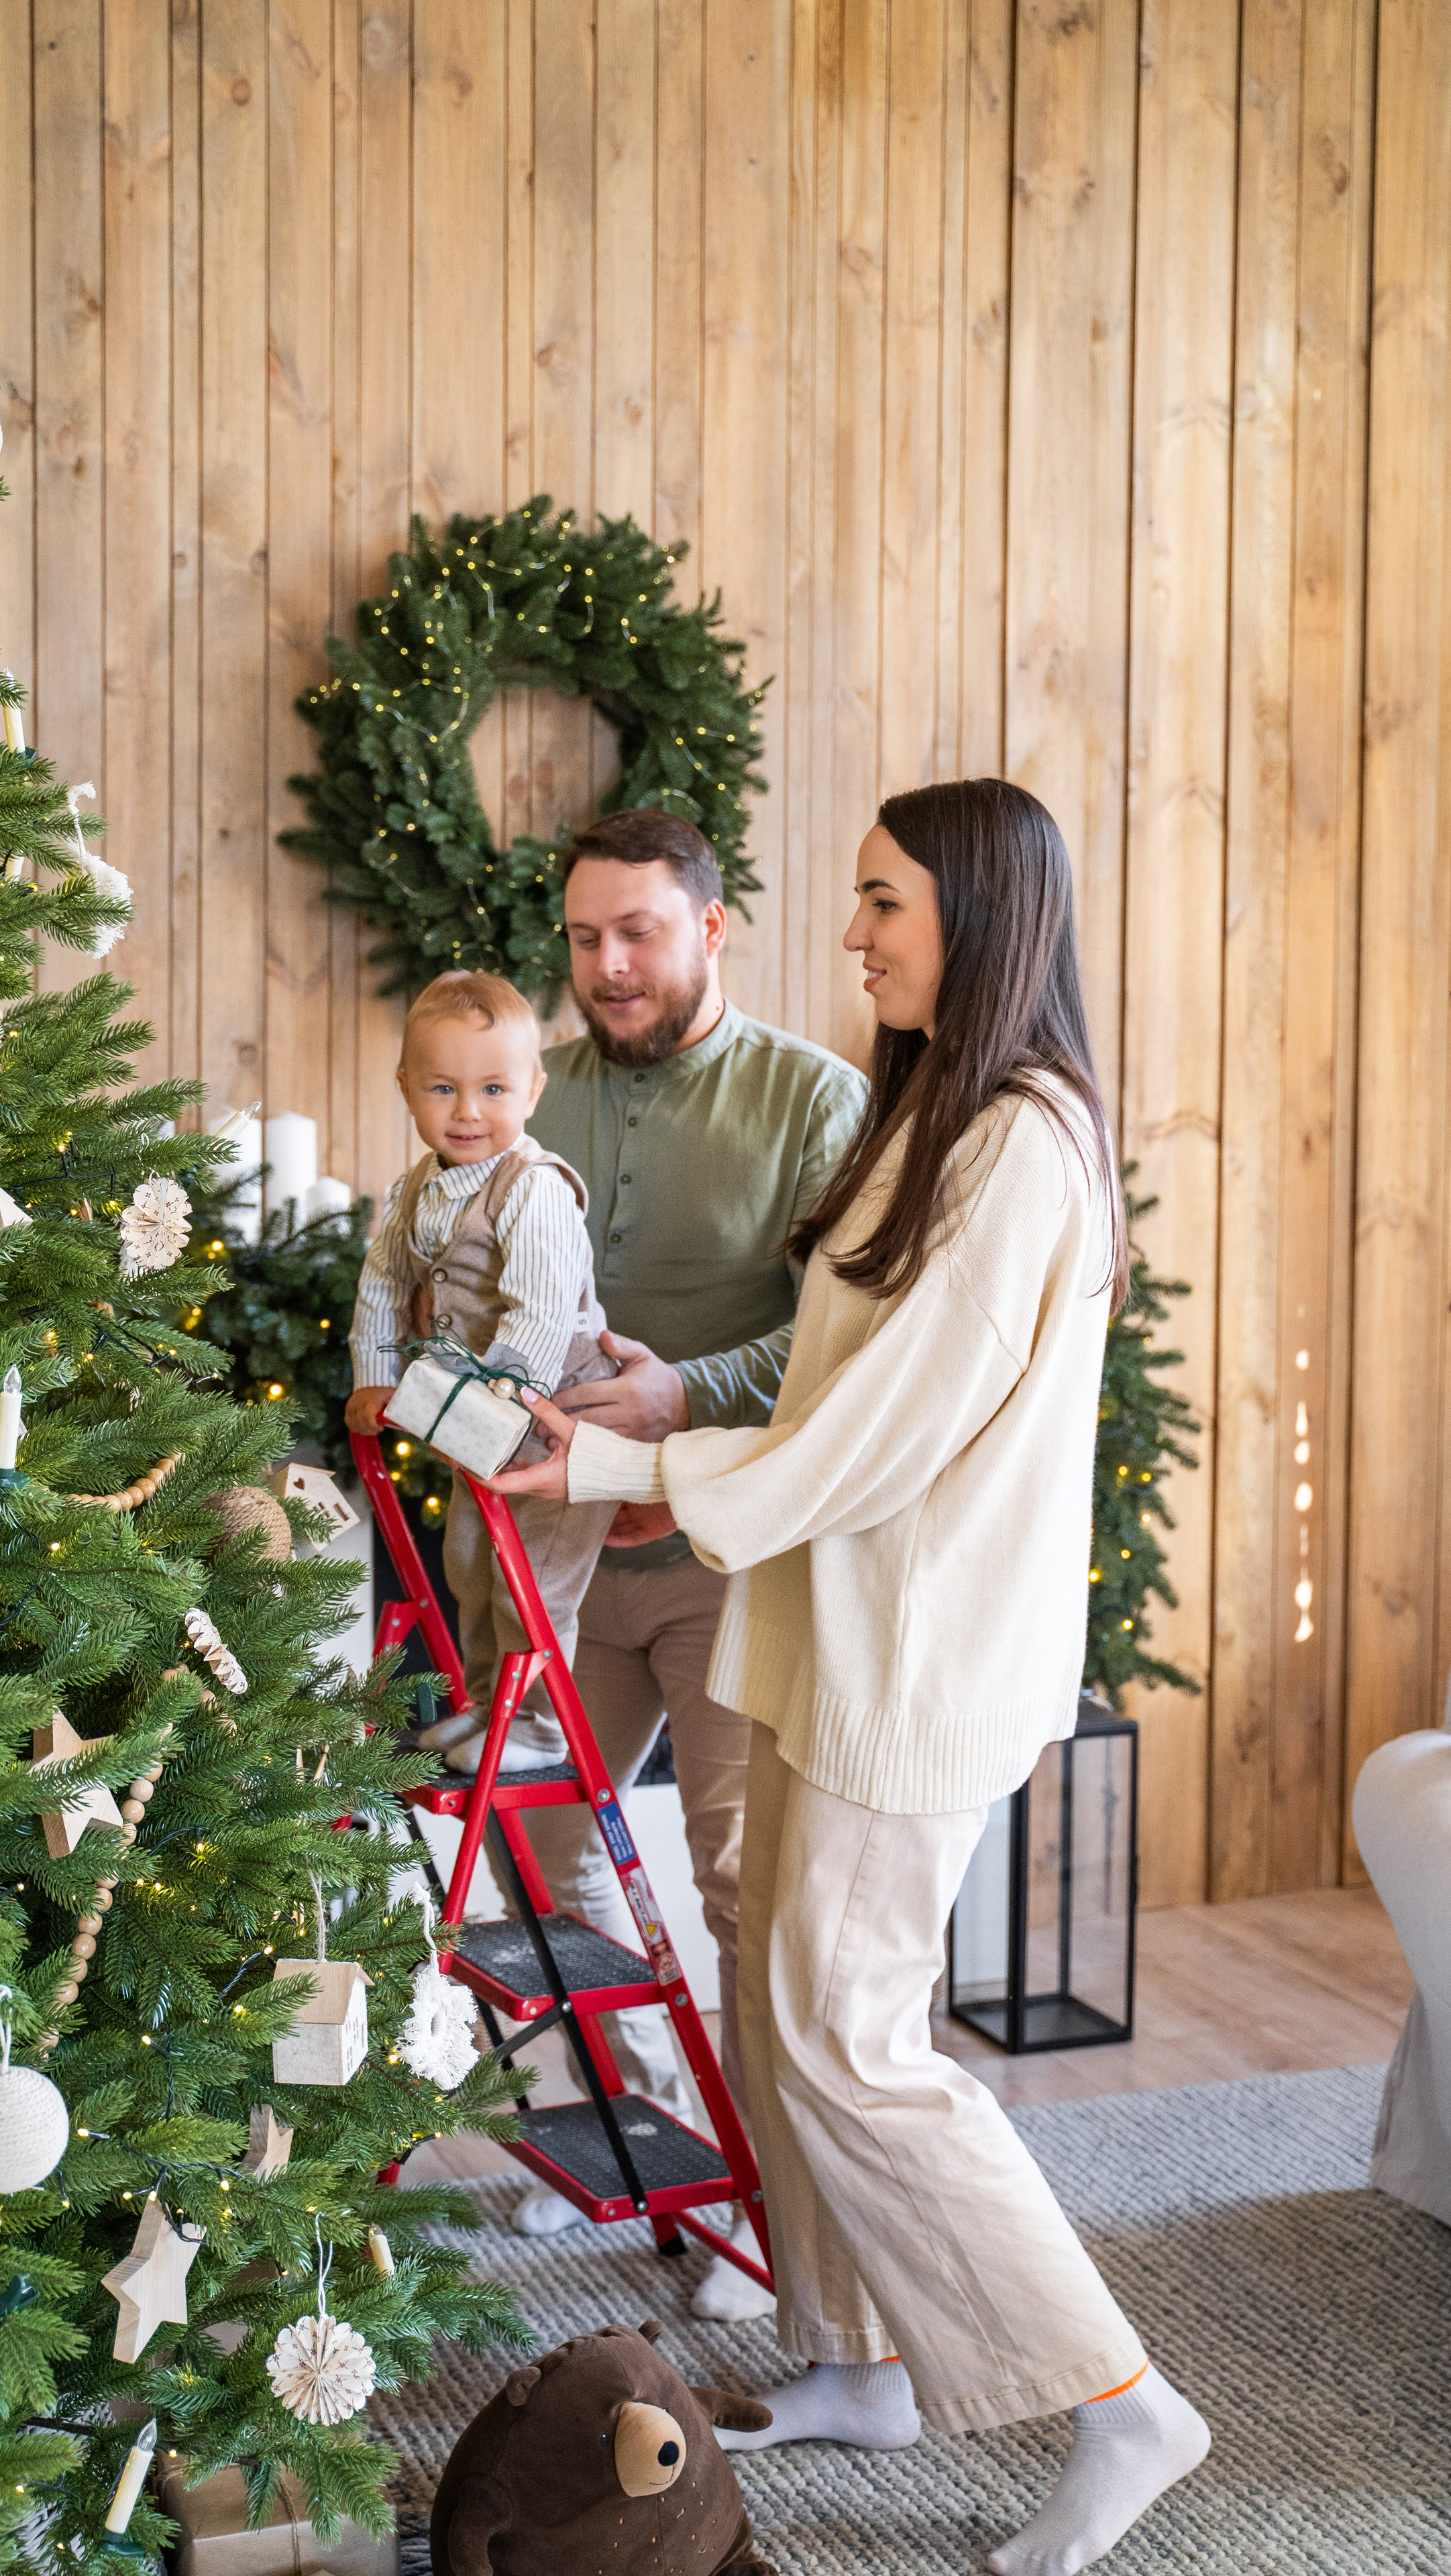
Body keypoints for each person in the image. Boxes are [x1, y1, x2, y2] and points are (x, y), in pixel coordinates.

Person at [491, 780, 1211, 2576]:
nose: (856, 932)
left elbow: (867, 1440)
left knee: (853, 2038)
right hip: (830, 1626)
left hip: (925, 1650)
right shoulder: (922, 1119)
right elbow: (826, 1397)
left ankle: (1124, 2405)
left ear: (976, 914)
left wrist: (612, 1467)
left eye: (884, 900)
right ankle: (861, 2358)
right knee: (786, 2002)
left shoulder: (1022, 1151)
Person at [521, 808, 865, 2316]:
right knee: (539, 1856)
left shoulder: (817, 1101)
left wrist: (686, 1394)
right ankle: (636, 2124)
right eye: (585, 937)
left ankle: (767, 2210)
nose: (607, 965)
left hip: (733, 1556)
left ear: (710, 928)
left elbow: (844, 1338)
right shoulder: (538, 1092)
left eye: (637, 933)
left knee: (739, 1890)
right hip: (572, 1553)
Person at [346, 971, 618, 1776]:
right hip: (481, 1418)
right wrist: (377, 1372)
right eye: (443, 1088)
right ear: (407, 1089)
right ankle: (483, 1707)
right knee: (468, 1561)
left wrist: (494, 1404)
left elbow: (537, 1313)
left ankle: (539, 1722)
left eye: (493, 1088)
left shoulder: (533, 1189)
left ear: (532, 1090)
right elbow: (385, 1286)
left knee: (533, 1583)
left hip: (556, 1416)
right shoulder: (415, 1193)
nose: (467, 1111)